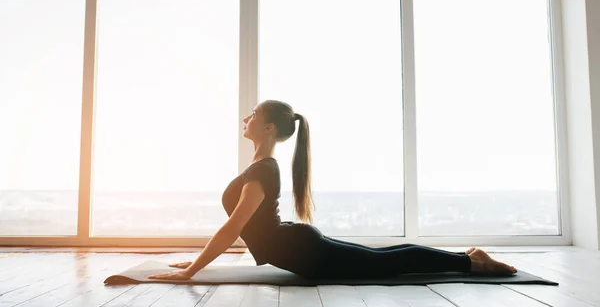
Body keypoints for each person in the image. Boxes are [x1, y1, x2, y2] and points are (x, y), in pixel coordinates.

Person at [149, 100, 517, 280]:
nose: (246, 117)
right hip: (299, 244)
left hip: (305, 253)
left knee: (385, 265)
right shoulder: (261, 167)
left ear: (268, 129)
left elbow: (234, 227)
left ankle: (470, 263)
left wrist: (191, 270)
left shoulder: (263, 170)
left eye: (254, 114)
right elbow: (244, 228)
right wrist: (195, 263)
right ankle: (468, 256)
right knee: (383, 258)